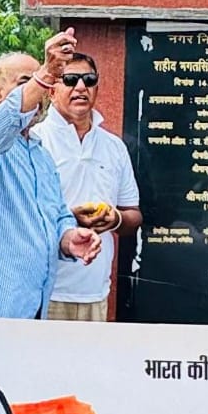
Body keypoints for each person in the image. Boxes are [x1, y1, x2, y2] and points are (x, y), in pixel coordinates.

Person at [0, 30, 103, 318]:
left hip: (31, 307)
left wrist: (69, 238)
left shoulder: (42, 157)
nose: (41, 92)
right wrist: (46, 72)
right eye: (26, 83)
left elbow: (57, 216)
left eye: (44, 85)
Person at [31, 52, 142, 320]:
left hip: (95, 291)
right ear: (51, 90)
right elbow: (19, 218)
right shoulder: (35, 141)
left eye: (88, 79)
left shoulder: (114, 146)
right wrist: (69, 219)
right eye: (69, 79)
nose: (80, 87)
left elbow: (134, 215)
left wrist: (114, 219)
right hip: (44, 290)